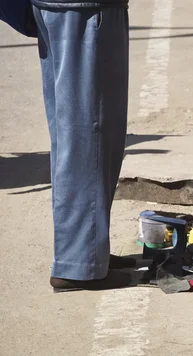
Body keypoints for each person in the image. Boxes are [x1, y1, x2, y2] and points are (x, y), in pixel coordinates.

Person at [27, 0, 134, 291]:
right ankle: (79, 265)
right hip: (87, 10)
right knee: (90, 137)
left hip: (60, 8)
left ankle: (85, 252)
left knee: (72, 136)